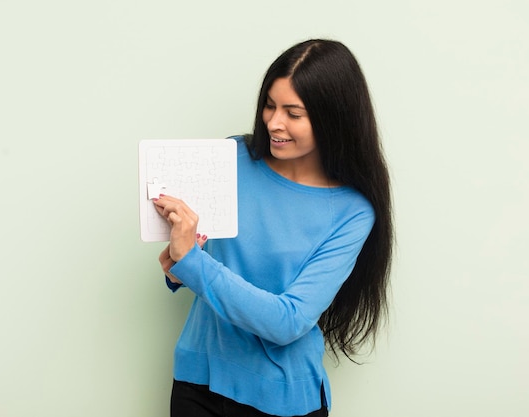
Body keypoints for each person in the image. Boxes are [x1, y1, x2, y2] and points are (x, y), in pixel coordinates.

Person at [152, 39, 393, 417]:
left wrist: (195, 266)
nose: (273, 122)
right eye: (269, 105)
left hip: (280, 401)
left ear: (333, 118)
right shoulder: (229, 157)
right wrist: (180, 268)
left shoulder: (352, 211)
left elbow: (289, 321)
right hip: (197, 381)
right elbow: (203, 260)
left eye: (293, 113)